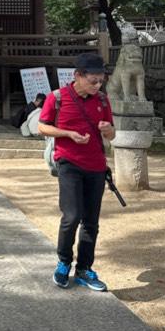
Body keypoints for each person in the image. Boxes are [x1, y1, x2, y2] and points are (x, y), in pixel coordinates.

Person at [38, 53, 115, 292]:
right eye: (93, 80)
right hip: (69, 163)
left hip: (96, 166)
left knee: (91, 221)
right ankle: (63, 262)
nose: (97, 85)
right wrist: (68, 134)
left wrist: (107, 129)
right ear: (77, 76)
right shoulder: (57, 97)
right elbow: (42, 126)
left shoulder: (102, 100)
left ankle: (84, 269)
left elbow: (112, 134)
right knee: (72, 216)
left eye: (101, 80)